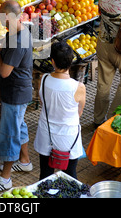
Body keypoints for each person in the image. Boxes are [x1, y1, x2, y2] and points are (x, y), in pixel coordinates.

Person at [0, 0, 33, 194]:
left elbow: (3, 72)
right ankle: (25, 161)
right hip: (20, 91)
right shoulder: (20, 32)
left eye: (2, 16)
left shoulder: (17, 41)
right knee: (19, 126)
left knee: (10, 134)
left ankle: (5, 178)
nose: (0, 19)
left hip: (15, 94)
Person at [34, 41, 86, 180]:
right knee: (70, 177)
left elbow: (42, 102)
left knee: (45, 176)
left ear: (52, 61)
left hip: (46, 135)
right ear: (71, 62)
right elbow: (79, 112)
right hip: (69, 138)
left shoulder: (43, 79)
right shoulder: (79, 87)